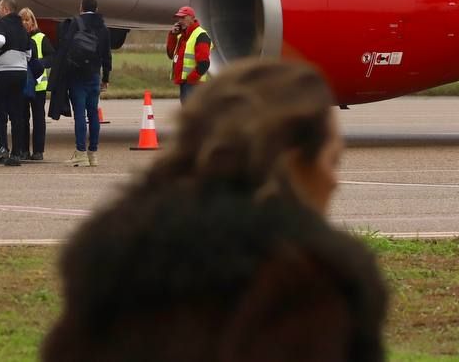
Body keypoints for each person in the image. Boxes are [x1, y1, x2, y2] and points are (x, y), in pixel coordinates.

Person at [43, 59, 387, 361]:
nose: (335, 182)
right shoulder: (317, 283)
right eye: (332, 161)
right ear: (292, 166)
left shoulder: (106, 261)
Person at [52, 0, 112, 167]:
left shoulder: (75, 24)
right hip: (94, 75)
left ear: (81, 7)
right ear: (97, 7)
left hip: (76, 75)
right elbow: (107, 55)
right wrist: (105, 77)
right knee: (93, 113)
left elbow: (65, 49)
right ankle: (93, 153)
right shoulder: (103, 28)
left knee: (80, 114)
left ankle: (80, 153)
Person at [0, 0, 32, 167]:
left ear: (5, 9)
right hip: (21, 71)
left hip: (2, 70)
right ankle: (16, 153)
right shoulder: (22, 27)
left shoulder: (1, 23)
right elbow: (29, 53)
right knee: (16, 113)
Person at [18, 8, 55, 161]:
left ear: (33, 21)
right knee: (22, 118)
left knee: (38, 118)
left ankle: (38, 150)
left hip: (38, 84)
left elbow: (51, 56)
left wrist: (39, 64)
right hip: (22, 83)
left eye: (27, 20)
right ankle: (24, 150)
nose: (25, 23)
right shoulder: (17, 38)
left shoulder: (41, 38)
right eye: (22, 20)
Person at [168, 5, 212, 104]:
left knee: (193, 112)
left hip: (193, 83)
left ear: (192, 18)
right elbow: (171, 54)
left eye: (183, 17)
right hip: (184, 82)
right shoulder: (182, 36)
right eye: (179, 18)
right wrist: (172, 35)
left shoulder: (200, 35)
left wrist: (191, 79)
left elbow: (204, 63)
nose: (180, 20)